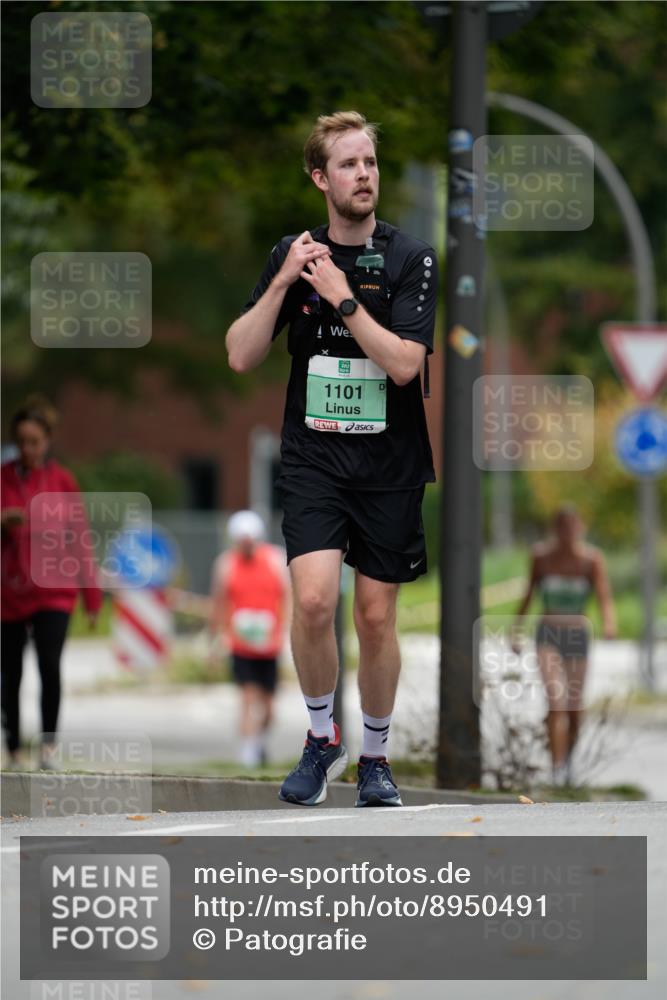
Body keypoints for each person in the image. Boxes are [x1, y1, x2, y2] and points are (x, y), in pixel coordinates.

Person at [225, 111, 437, 806]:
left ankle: (374, 756)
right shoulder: (297, 252)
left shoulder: (410, 259)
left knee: (374, 618)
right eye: (348, 164)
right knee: (313, 601)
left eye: (370, 163)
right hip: (313, 457)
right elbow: (239, 353)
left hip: (388, 465)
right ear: (320, 177)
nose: (363, 175)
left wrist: (341, 298)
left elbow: (404, 365)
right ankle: (322, 739)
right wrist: (287, 281)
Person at [1, 394, 103, 770]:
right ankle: (12, 748)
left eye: (35, 442)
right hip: (10, 591)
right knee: (10, 672)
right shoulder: (3, 479)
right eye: (21, 442)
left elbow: (80, 539)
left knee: (49, 667)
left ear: (47, 442)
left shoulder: (62, 482)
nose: (28, 449)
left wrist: (92, 598)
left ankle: (47, 748)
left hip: (55, 591)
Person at [512, 504, 617, 786]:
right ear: (555, 530)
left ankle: (569, 760)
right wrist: (516, 629)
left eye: (573, 527)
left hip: (578, 636)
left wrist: (609, 623)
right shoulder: (541, 557)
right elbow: (529, 593)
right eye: (562, 527)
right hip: (548, 634)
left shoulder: (591, 560)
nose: (568, 534)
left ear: (581, 528)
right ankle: (556, 768)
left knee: (574, 706)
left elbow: (604, 596)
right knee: (556, 702)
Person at [209, 510, 290, 767]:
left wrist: (285, 634)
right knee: (246, 697)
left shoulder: (275, 560)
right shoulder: (226, 564)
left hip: (269, 644)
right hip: (240, 643)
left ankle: (258, 741)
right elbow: (219, 603)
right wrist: (215, 639)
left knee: (268, 707)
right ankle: (247, 751)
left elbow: (288, 598)